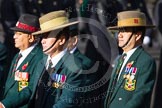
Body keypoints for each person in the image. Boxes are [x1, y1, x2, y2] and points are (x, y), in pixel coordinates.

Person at [28, 10, 91, 108]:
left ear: (61, 40)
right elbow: (31, 92)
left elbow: (68, 102)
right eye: (42, 37)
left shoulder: (75, 67)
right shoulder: (41, 63)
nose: (42, 41)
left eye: (47, 36)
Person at [104, 10, 156, 108]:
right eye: (119, 31)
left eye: (124, 31)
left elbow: (140, 96)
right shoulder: (121, 59)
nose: (119, 35)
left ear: (137, 35)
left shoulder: (145, 61)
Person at [0, 14, 43, 108]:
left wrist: (5, 104)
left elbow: (31, 88)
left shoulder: (40, 57)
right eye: (15, 33)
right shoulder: (17, 55)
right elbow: (9, 84)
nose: (14, 37)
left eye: (19, 34)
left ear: (31, 37)